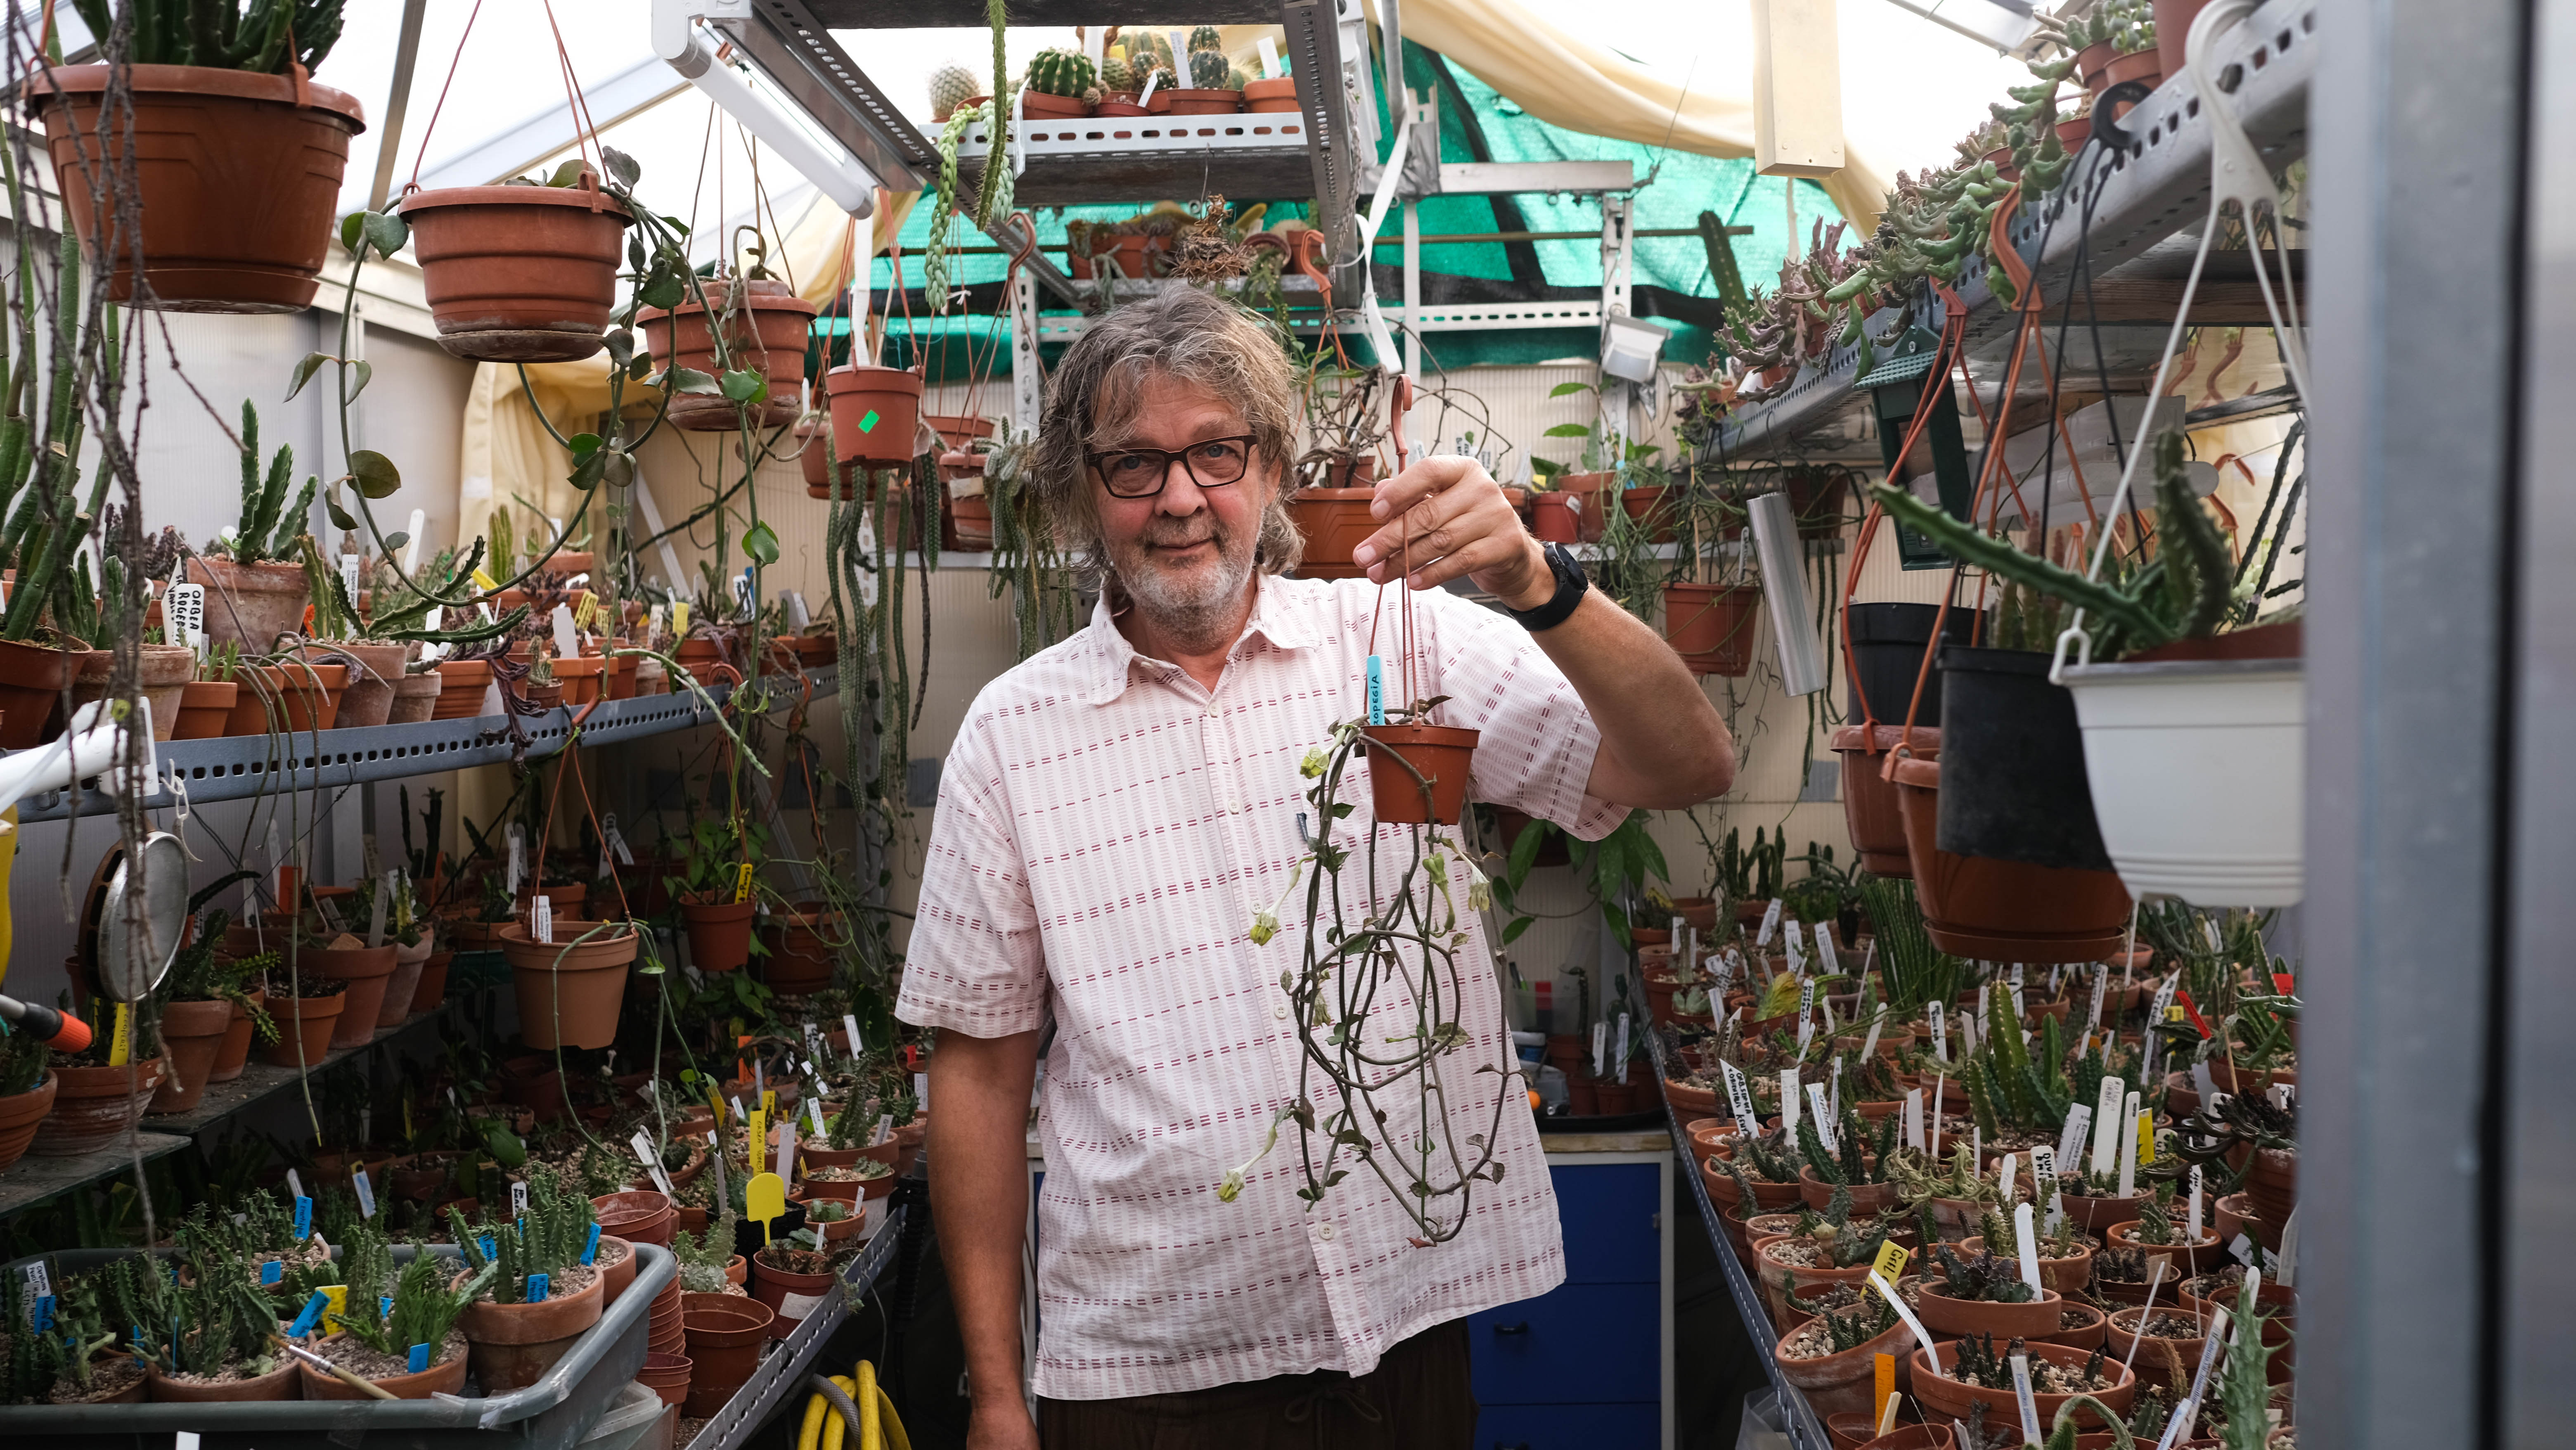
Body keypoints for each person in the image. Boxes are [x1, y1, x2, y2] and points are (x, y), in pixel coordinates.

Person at [900, 285, 1734, 1449]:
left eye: (1216, 453)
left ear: (1276, 468)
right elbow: (979, 1077)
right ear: (1082, 496)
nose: (1182, 497)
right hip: (1151, 1378)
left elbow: (1688, 763)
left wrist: (1544, 587)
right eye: (1134, 464)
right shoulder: (1013, 734)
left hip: (1395, 1345)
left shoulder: (1401, 644)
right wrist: (995, 1396)